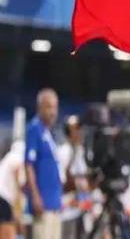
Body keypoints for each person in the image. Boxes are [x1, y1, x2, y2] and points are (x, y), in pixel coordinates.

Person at [25, 88, 63, 239]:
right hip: (43, 202)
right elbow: (29, 165)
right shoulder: (35, 129)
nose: (53, 112)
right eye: (48, 107)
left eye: (55, 107)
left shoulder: (50, 133)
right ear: (39, 107)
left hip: (54, 203)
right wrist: (35, 196)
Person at [0, 140, 25, 239]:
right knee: (8, 233)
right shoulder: (17, 159)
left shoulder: (6, 159)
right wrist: (18, 214)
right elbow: (17, 186)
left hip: (3, 198)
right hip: (3, 199)